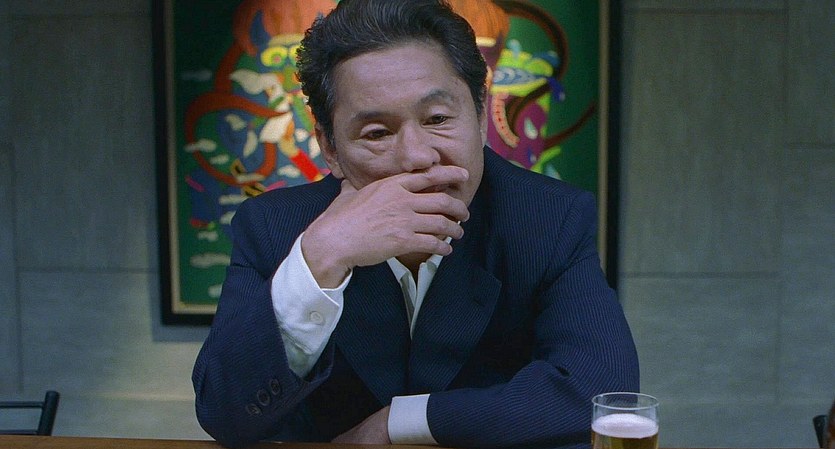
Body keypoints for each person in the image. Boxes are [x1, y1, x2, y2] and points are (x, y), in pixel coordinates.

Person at [192, 1, 639, 448]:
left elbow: (600, 393)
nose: (417, 157)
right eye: (377, 133)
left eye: (438, 119)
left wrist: (402, 421)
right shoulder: (273, 226)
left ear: (480, 116)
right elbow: (227, 415)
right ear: (330, 148)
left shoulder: (548, 218)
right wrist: (321, 258)